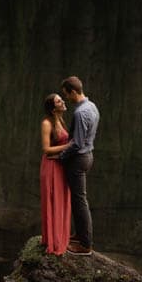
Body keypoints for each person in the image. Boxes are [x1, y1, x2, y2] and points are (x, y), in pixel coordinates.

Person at [58, 75, 99, 255]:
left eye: (67, 94)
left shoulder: (80, 112)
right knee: (78, 200)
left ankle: (85, 245)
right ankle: (80, 234)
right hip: (88, 156)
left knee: (80, 201)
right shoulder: (92, 106)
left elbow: (77, 143)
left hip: (79, 160)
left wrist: (61, 156)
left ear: (73, 91)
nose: (66, 98)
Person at [39, 93, 71, 254]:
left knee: (62, 200)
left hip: (60, 165)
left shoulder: (60, 120)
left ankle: (60, 237)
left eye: (61, 99)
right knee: (53, 200)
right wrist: (69, 146)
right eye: (59, 101)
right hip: (51, 167)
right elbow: (46, 149)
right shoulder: (47, 123)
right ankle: (53, 241)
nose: (63, 102)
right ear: (53, 109)